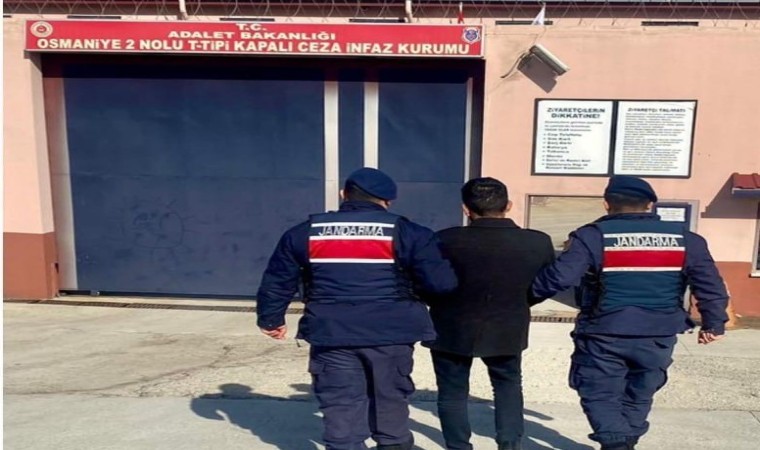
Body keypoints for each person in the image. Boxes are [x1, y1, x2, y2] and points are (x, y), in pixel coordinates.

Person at [256, 167, 458, 450]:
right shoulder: (409, 233)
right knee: (390, 400)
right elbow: (441, 284)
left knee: (340, 404)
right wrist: (412, 295)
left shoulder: (305, 232)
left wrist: (271, 319)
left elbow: (278, 280)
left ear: (344, 194)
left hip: (332, 334)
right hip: (392, 333)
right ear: (387, 201)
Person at [531, 175, 729, 450]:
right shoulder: (686, 239)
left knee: (599, 393)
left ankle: (617, 444)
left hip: (603, 333)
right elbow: (710, 284)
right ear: (650, 205)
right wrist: (714, 323)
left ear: (606, 204)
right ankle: (625, 441)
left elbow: (558, 278)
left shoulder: (592, 236)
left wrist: (523, 300)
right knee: (640, 393)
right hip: (658, 334)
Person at [423, 177, 556, 450]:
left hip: (451, 324)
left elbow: (427, 281)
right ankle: (510, 444)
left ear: (465, 209)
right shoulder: (537, 242)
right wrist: (523, 301)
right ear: (508, 205)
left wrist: (438, 303)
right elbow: (545, 284)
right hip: (508, 323)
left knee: (452, 391)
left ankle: (458, 446)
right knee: (508, 385)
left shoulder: (443, 239)